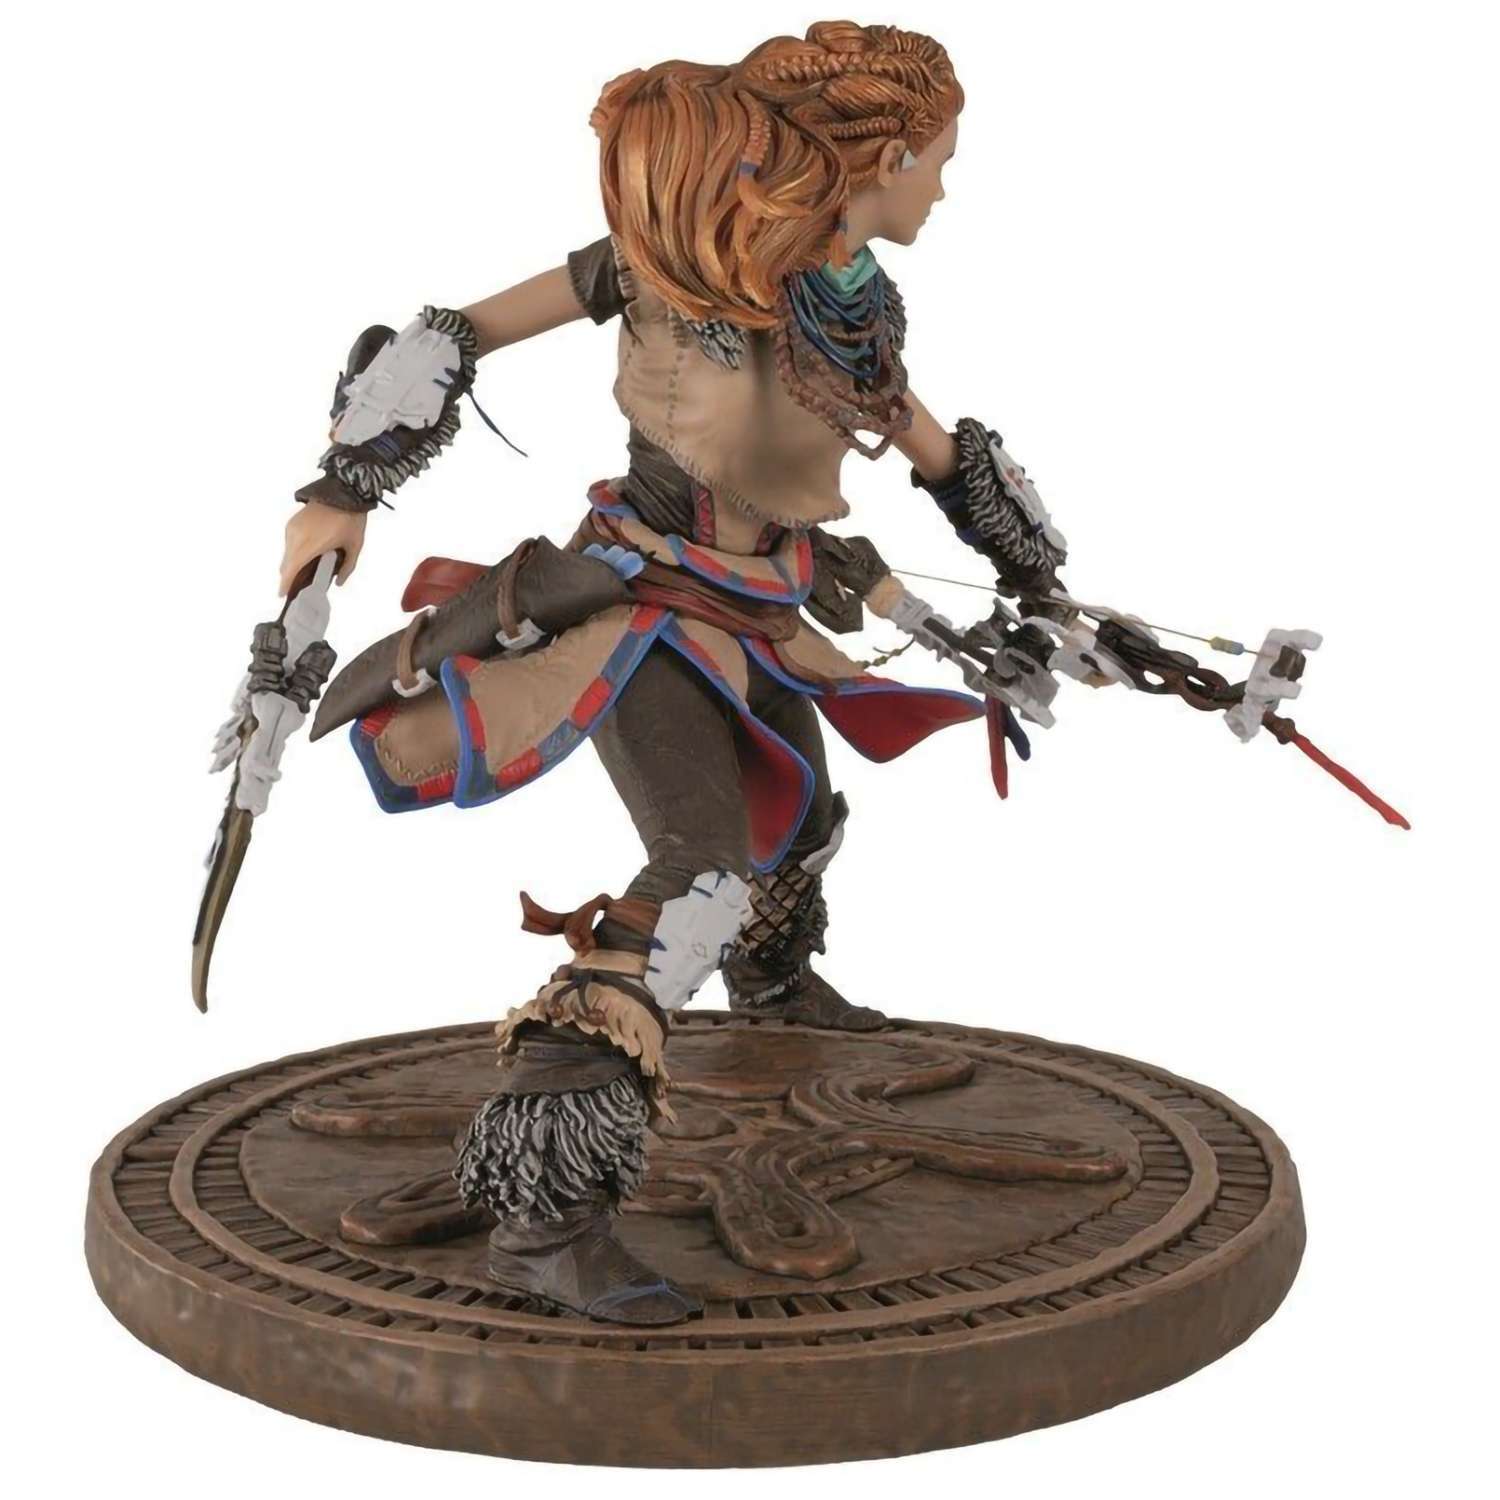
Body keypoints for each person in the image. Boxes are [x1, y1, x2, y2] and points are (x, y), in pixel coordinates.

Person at [277, 22, 1070, 1325]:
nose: (945, 184)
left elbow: (925, 442)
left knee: (798, 818)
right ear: (883, 160)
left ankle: (774, 988)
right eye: (938, 158)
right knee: (697, 873)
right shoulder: (657, 268)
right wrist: (343, 486)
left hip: (764, 603)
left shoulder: (850, 302)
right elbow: (458, 333)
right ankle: (544, 1215)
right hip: (641, 605)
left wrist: (1034, 567)